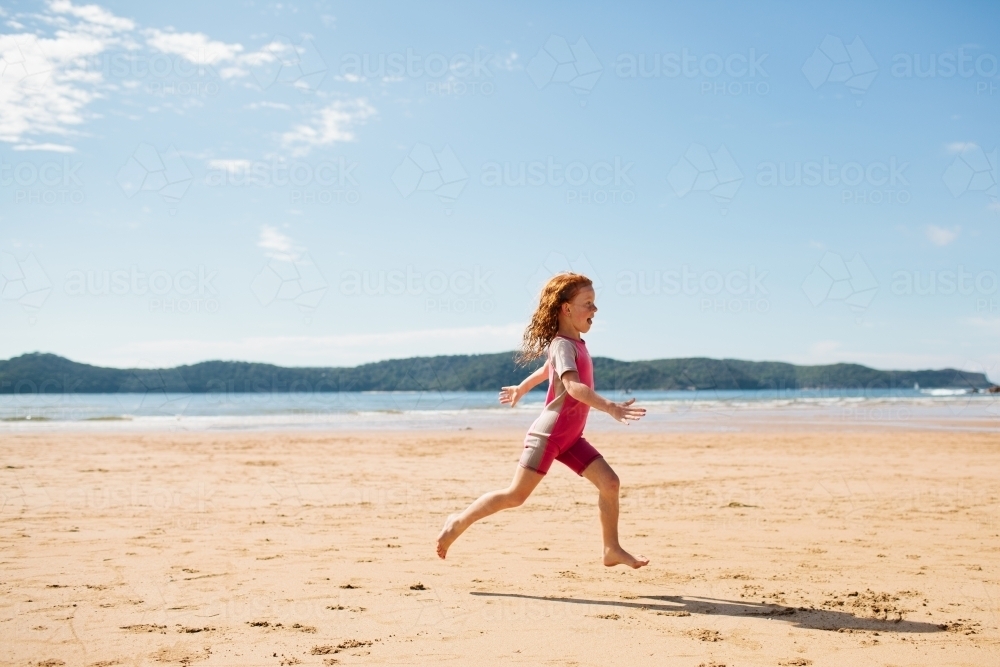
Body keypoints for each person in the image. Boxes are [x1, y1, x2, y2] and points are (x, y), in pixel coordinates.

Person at [436, 272, 649, 568]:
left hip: (572, 439)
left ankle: (611, 549)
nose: (594, 310)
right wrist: (610, 407)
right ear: (566, 308)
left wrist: (522, 388)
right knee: (515, 496)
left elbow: (547, 370)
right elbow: (573, 386)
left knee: (610, 483)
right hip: (549, 436)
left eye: (594, 303)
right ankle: (458, 521)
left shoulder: (571, 345)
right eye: (588, 303)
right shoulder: (562, 344)